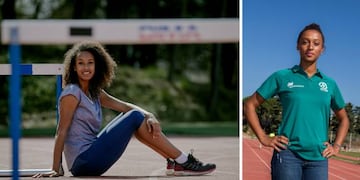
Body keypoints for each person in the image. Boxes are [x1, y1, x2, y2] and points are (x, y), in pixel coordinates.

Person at [33, 40, 216, 177]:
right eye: (81, 63)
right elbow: (61, 130)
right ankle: (184, 161)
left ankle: (174, 161)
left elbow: (125, 106)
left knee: (136, 117)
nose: (86, 67)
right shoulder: (72, 93)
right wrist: (55, 168)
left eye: (90, 63)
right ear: (73, 67)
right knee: (135, 116)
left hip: (91, 155)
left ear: (97, 66)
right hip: (84, 161)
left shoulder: (95, 92)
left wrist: (151, 115)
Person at [244, 23, 349, 180]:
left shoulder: (329, 84)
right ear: (298, 46)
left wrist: (336, 146)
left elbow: (344, 119)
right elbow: (250, 105)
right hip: (288, 155)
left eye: (316, 43)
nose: (310, 47)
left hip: (319, 159)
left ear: (322, 49)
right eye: (305, 42)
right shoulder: (282, 76)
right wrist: (263, 137)